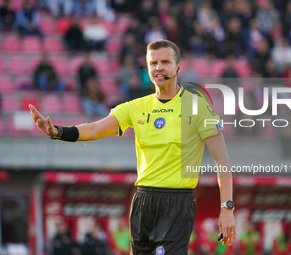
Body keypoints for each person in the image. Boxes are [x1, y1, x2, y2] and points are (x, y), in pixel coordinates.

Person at [29, 39, 235, 254]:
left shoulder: (198, 106)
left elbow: (223, 161)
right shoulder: (135, 107)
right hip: (142, 202)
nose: (159, 68)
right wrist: (57, 132)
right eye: (153, 63)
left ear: (178, 66)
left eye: (165, 61)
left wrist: (226, 208)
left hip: (177, 203)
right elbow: (94, 130)